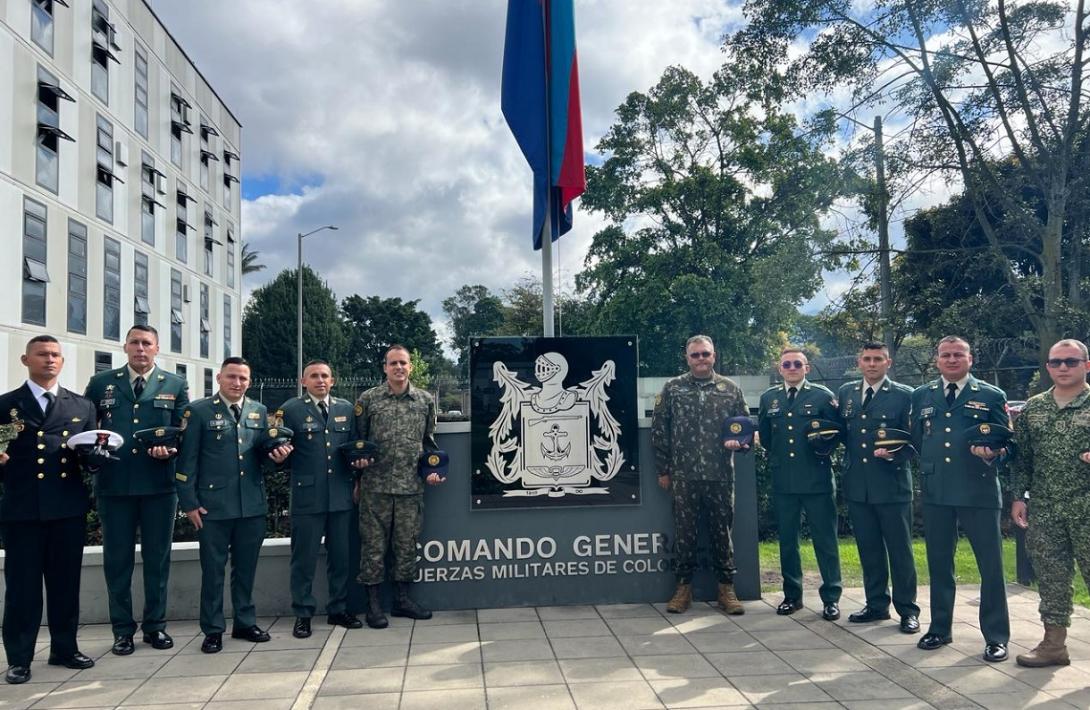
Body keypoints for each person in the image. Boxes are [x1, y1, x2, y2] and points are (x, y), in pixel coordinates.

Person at [84, 325, 189, 655]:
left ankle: (155, 627)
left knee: (158, 559)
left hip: (159, 485)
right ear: (124, 346)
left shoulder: (175, 383)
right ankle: (122, 630)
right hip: (114, 486)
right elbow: (88, 430)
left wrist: (170, 450)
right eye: (134, 343)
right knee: (117, 561)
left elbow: (183, 433)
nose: (140, 349)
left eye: (147, 343)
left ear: (157, 348)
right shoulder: (102, 383)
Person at [174, 357, 291, 653]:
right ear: (219, 379)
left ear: (249, 381)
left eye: (243, 378)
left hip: (251, 504)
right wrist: (189, 503)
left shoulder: (259, 411)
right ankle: (213, 629)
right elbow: (186, 461)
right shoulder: (198, 411)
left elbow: (261, 457)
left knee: (246, 569)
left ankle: (244, 622)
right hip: (212, 507)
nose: (237, 383)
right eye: (232, 377)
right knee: (213, 571)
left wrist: (276, 459)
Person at [0, 336, 97, 684]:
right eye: (42, 354)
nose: (50, 360)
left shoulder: (81, 406)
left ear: (63, 361)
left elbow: (89, 458)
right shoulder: (5, 405)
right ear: (26, 359)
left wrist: (97, 459)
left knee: (65, 586)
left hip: (66, 510)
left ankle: (64, 649)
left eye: (55, 355)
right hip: (22, 511)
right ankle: (20, 658)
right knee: (22, 589)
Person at [911, 336, 1010, 662]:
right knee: (939, 564)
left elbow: (1006, 443)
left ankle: (996, 636)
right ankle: (940, 628)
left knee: (991, 567)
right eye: (945, 355)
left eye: (958, 355)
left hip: (977, 490)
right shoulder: (922, 395)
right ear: (937, 360)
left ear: (970, 359)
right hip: (937, 491)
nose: (952, 360)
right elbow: (917, 438)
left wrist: (992, 453)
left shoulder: (991, 395)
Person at [651, 335, 749, 615]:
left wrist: (741, 444)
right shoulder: (673, 388)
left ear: (714, 356)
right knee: (685, 534)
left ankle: (726, 588)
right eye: (695, 355)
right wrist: (663, 470)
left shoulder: (730, 389)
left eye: (705, 354)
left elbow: (744, 429)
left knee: (722, 533)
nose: (701, 359)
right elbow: (660, 431)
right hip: (683, 475)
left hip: (720, 474)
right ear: (687, 358)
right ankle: (683, 589)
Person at [1010, 339, 1090, 667]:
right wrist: (1018, 496)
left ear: (1086, 365)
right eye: (1056, 362)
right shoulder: (1035, 408)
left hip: (1087, 507)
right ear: (1047, 367)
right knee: (1052, 578)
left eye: (1071, 361)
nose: (1063, 368)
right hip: (1046, 508)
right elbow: (1022, 458)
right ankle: (1054, 645)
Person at [355, 345, 443, 629]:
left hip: (410, 487)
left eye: (403, 363)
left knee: (406, 546)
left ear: (411, 367)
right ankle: (373, 605)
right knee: (373, 547)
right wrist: (357, 480)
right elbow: (359, 443)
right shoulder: (368, 399)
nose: (399, 368)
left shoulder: (425, 400)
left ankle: (402, 601)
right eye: (393, 363)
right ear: (384, 367)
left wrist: (433, 472)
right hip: (375, 487)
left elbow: (429, 443)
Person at [275, 360, 365, 638]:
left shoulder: (346, 409)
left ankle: (337, 609)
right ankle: (303, 613)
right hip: (307, 497)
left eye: (325, 376)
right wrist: (279, 455)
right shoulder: (290, 410)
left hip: (340, 495)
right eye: (314, 376)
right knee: (303, 559)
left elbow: (353, 450)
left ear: (333, 380)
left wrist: (359, 478)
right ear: (304, 382)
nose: (320, 380)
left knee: (341, 558)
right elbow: (279, 450)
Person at [836, 342, 919, 633]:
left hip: (892, 484)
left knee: (900, 551)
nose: (872, 364)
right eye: (867, 359)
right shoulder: (846, 393)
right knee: (868, 549)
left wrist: (896, 455)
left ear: (888, 362)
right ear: (859, 362)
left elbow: (916, 441)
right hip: (858, 484)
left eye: (878, 359)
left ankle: (908, 609)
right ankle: (876, 605)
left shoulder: (905, 396)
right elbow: (843, 435)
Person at [758, 347, 842, 621]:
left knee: (825, 541)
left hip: (816, 479)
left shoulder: (822, 396)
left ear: (806, 367)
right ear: (779, 368)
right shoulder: (769, 398)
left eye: (797, 364)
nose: (792, 368)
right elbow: (768, 440)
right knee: (787, 542)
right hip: (784, 481)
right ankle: (792, 596)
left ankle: (831, 598)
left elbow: (836, 435)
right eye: (787, 364)